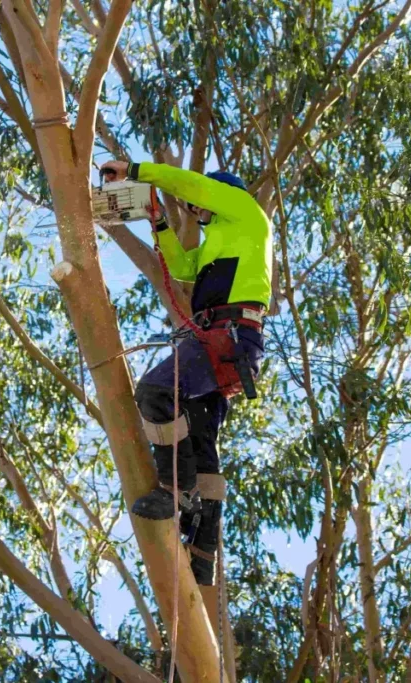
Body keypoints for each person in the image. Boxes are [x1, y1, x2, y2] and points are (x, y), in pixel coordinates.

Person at [99, 159, 271, 585]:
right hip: (217, 338)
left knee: (157, 391)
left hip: (229, 335)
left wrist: (137, 171)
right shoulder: (220, 240)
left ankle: (174, 488)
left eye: (200, 205)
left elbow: (191, 184)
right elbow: (180, 269)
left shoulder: (245, 210)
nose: (197, 211)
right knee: (198, 436)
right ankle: (202, 552)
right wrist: (158, 224)